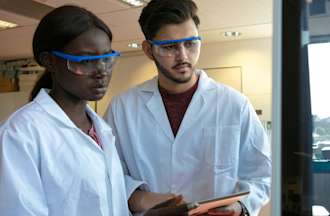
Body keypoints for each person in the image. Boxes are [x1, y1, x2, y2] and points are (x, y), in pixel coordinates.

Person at [0, 5, 192, 216]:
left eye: (107, 58)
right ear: (50, 61)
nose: (101, 71)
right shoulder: (21, 134)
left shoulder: (101, 130)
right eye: (86, 61)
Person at [104, 0, 271, 216]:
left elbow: (262, 174)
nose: (183, 56)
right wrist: (138, 197)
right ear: (148, 50)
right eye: (170, 47)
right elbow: (106, 172)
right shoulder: (122, 108)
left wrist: (240, 207)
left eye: (191, 43)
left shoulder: (235, 105)